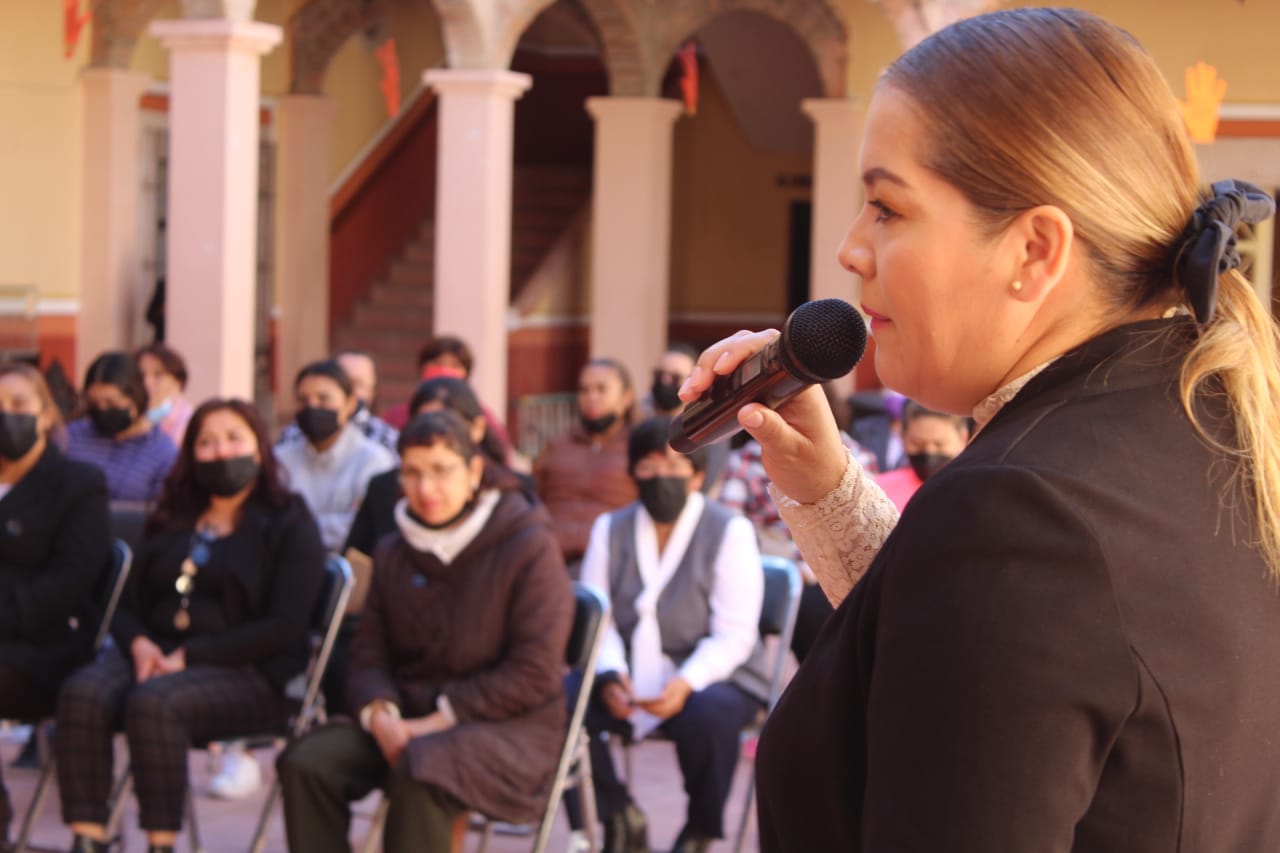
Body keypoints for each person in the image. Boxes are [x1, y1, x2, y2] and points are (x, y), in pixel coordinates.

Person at [680, 9, 1280, 851]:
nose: (852, 249)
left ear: (1034, 251)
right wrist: (829, 493)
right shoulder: (1203, 418)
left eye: (887, 208)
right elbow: (1015, 664)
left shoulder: (1020, 517)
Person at [276, 410, 573, 853]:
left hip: (509, 727)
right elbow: (368, 652)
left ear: (474, 472)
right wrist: (382, 715)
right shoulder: (394, 548)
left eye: (441, 471)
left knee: (423, 765)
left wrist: (434, 723)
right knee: (307, 762)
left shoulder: (527, 544)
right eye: (412, 473)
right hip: (407, 716)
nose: (425, 488)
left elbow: (535, 671)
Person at [55, 398, 325, 853]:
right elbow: (121, 603)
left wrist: (191, 657)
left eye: (234, 438)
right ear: (191, 454)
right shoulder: (172, 517)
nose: (222, 452)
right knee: (82, 692)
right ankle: (89, 838)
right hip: (156, 656)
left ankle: (161, 842)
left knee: (154, 703)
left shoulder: (289, 522)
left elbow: (284, 626)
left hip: (250, 673)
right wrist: (139, 642)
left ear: (259, 448)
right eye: (207, 442)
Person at [577, 416, 766, 853]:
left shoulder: (728, 530)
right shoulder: (610, 528)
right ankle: (617, 814)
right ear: (632, 473)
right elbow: (599, 619)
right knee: (564, 698)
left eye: (674, 466)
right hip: (629, 673)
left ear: (697, 476)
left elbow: (734, 635)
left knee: (709, 715)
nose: (661, 476)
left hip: (717, 675)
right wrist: (608, 676)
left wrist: (684, 684)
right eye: (648, 466)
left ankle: (700, 830)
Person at [0, 362, 111, 847]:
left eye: (20, 406)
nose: (7, 417)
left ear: (47, 414)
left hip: (48, 646)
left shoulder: (77, 483)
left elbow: (69, 583)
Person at [274, 359, 395, 553]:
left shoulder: (373, 460)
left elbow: (363, 530)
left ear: (350, 404)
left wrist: (296, 528)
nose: (312, 407)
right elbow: (271, 524)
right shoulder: (281, 459)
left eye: (324, 399)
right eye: (303, 400)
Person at [534, 358, 638, 572]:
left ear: (626, 398)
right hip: (550, 565)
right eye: (584, 390)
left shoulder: (638, 448)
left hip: (614, 568)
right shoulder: (556, 445)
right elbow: (533, 501)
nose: (592, 397)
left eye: (602, 389)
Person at [65, 352, 178, 503]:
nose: (102, 409)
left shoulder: (161, 451)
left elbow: (160, 512)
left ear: (135, 398)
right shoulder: (71, 437)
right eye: (93, 403)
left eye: (111, 403)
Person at [276, 351, 399, 456]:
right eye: (342, 379)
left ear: (373, 391)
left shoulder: (386, 439)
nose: (351, 390)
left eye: (359, 384)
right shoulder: (292, 436)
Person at [872, 400, 969, 511]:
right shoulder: (879, 490)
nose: (929, 451)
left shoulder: (975, 489)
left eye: (939, 444)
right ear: (903, 438)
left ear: (963, 438)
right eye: (917, 443)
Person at [135, 343, 195, 447]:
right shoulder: (127, 413)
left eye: (158, 375)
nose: (146, 382)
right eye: (140, 375)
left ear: (178, 382)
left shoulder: (189, 422)